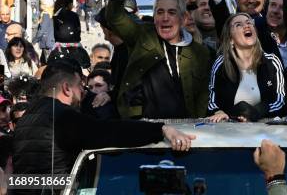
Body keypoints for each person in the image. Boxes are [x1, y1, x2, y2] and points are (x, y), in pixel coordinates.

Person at [12, 59, 196, 180]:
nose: (84, 92)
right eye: (80, 86)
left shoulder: (26, 118)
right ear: (67, 88)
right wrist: (161, 129)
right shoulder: (62, 116)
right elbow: (110, 132)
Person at [106, 0, 213, 119]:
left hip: (185, 131)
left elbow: (203, 98)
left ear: (183, 19)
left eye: (171, 12)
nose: (165, 18)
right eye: (160, 12)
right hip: (144, 128)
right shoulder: (143, 36)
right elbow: (115, 18)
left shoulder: (200, 52)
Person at [207, 13, 285, 122]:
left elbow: (280, 101)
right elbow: (212, 100)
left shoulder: (272, 62)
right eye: (238, 25)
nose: (246, 26)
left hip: (265, 130)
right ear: (230, 39)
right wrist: (218, 112)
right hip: (229, 130)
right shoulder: (221, 64)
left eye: (249, 23)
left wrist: (255, 111)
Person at [47, 0, 90, 69]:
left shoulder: (56, 15)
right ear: (70, 4)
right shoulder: (74, 15)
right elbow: (78, 32)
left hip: (58, 46)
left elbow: (54, 34)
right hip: (75, 46)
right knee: (85, 66)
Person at [32, 0, 54, 64]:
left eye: (40, 3)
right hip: (50, 42)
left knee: (47, 63)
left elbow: (41, 30)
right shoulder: (52, 13)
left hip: (46, 43)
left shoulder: (45, 15)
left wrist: (34, 40)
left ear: (44, 5)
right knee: (43, 60)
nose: (39, 5)